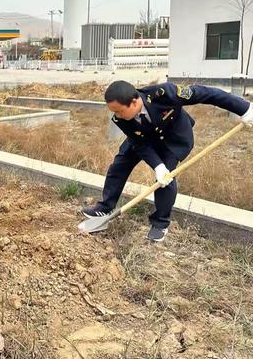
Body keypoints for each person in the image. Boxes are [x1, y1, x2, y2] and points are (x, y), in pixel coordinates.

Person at [81, 80, 253, 242]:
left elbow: (207, 93)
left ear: (134, 102)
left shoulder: (164, 94)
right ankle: (105, 207)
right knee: (119, 166)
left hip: (173, 140)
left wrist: (244, 108)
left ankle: (160, 224)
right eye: (114, 112)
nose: (116, 115)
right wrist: (157, 165)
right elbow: (139, 144)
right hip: (144, 139)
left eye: (119, 110)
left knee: (165, 180)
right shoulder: (121, 119)